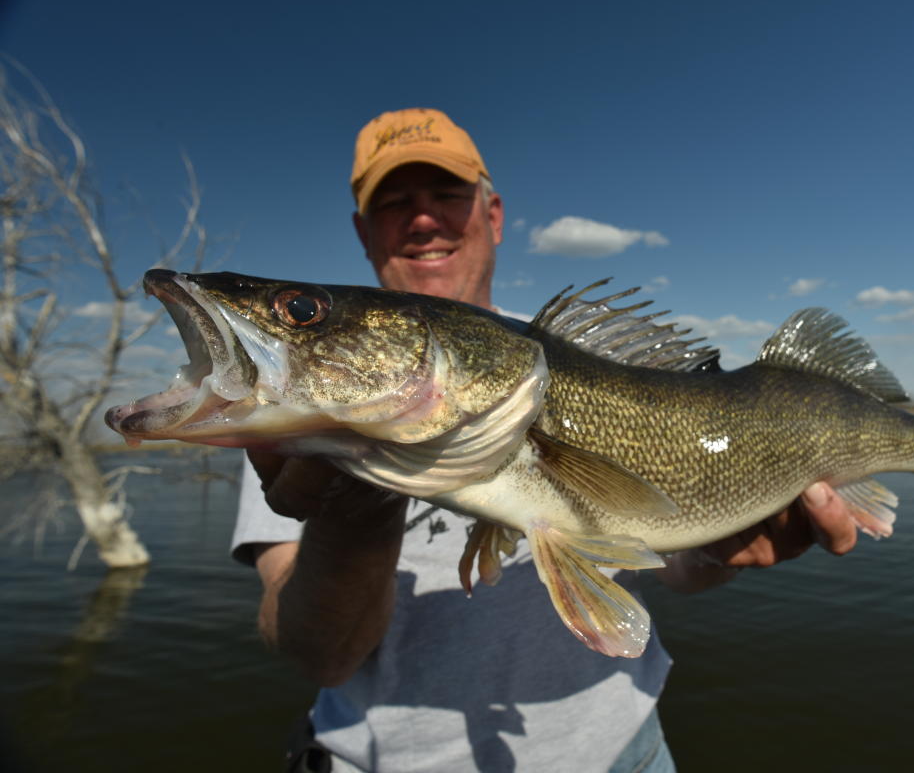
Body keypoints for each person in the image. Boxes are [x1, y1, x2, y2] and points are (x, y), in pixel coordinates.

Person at [232, 108, 859, 773]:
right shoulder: (297, 413)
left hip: (628, 754)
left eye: (447, 194)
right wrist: (350, 501)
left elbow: (671, 564)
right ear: (363, 232)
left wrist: (718, 550)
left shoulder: (580, 359)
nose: (423, 220)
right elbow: (321, 658)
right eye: (393, 203)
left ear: (493, 215)